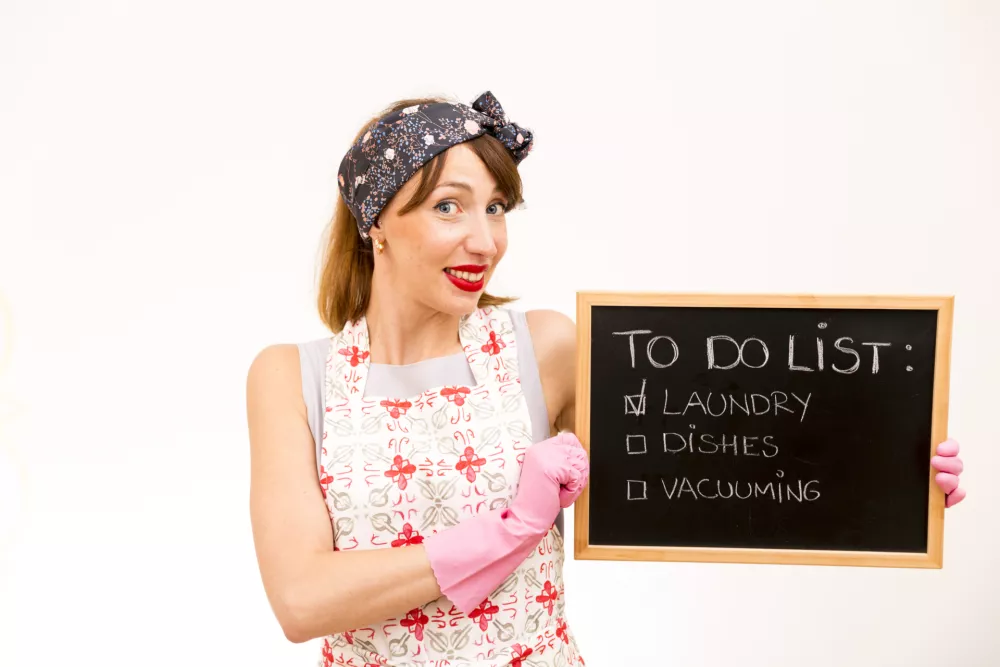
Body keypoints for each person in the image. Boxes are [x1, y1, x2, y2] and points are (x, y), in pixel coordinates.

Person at [245, 90, 967, 666]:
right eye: (449, 206)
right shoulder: (293, 378)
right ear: (376, 222)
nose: (486, 239)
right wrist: (512, 528)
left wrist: (883, 473)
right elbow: (302, 600)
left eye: (497, 206)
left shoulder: (544, 348)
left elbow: (716, 461)